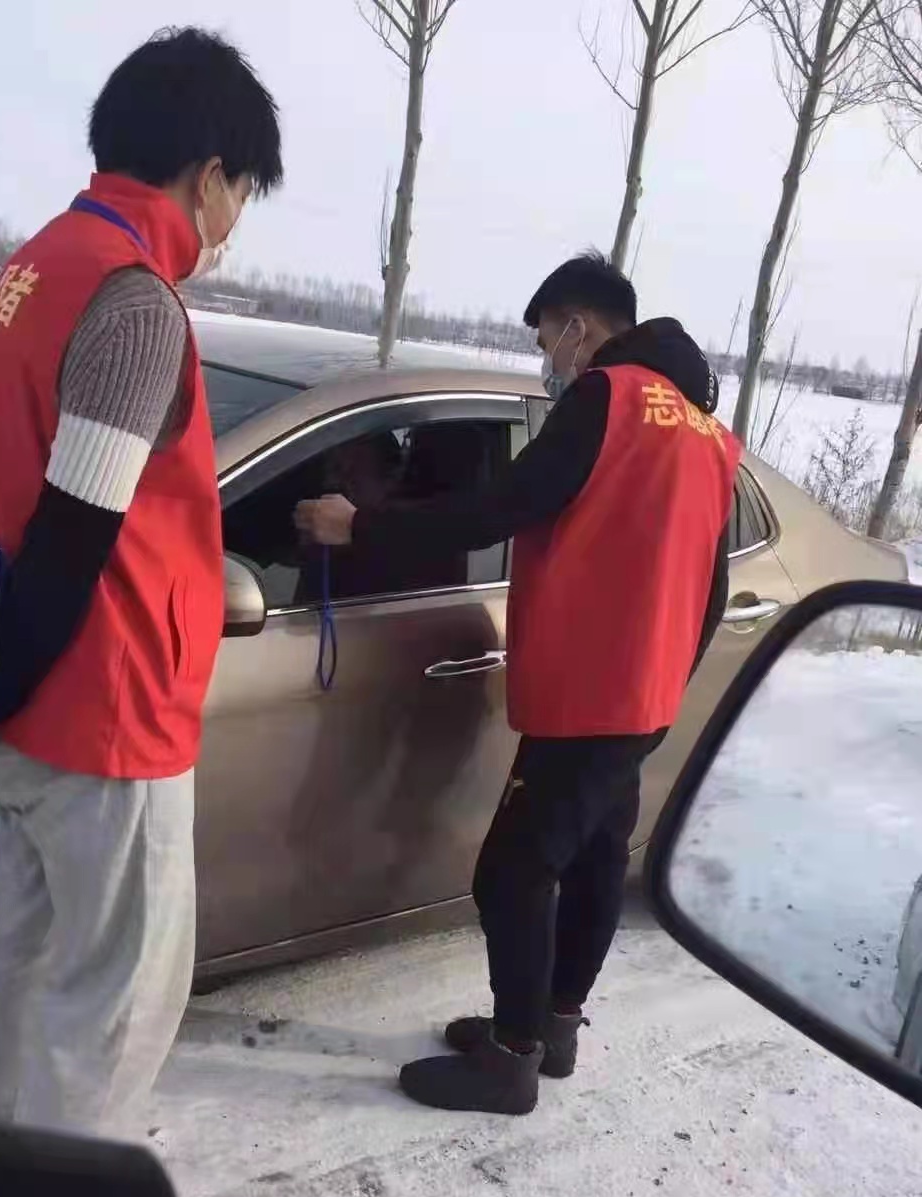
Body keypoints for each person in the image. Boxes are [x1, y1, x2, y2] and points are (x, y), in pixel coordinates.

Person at [0, 28, 282, 1133]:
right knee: (113, 1008)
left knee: (17, 965)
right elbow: (75, 534)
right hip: (105, 718)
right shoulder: (132, 302)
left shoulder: (30, 270)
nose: (234, 222)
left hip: (28, 710)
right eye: (243, 193)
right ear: (208, 176)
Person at [295, 252, 737, 1117]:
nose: (549, 359)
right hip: (642, 697)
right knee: (597, 856)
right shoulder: (705, 433)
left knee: (512, 872)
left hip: (588, 695)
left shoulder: (605, 400)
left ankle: (510, 1061)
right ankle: (552, 1028)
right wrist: (662, 682)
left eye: (546, 340)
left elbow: (499, 508)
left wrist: (362, 525)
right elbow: (711, 588)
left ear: (579, 325)